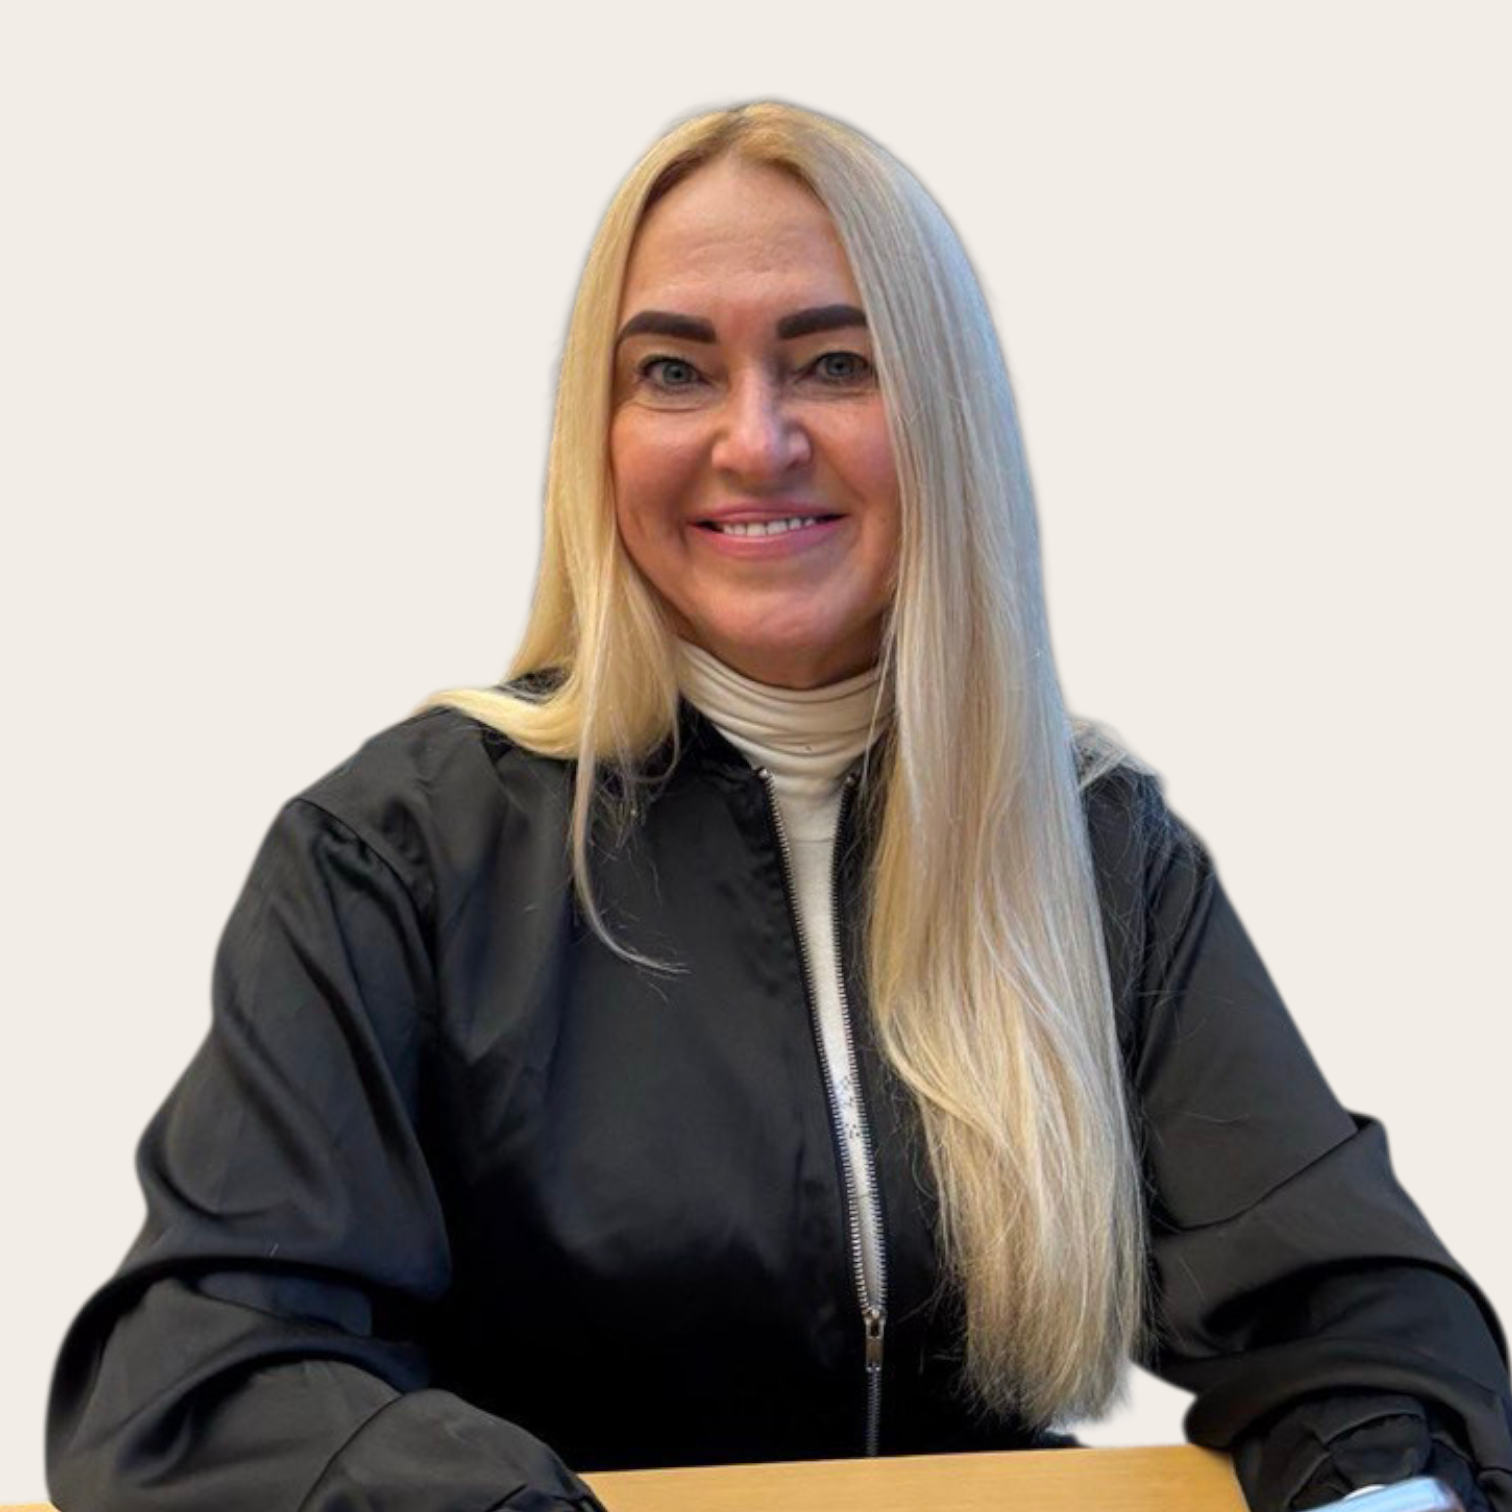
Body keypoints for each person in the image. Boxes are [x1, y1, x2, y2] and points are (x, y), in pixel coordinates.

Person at [46, 101, 1512, 1512]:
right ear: (598, 431)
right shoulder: (397, 857)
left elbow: (1363, 1328)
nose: (755, 441)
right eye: (673, 371)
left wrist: (1382, 1488)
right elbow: (203, 1377)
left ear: (944, 413)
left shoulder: (1095, 849)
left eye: (834, 363)